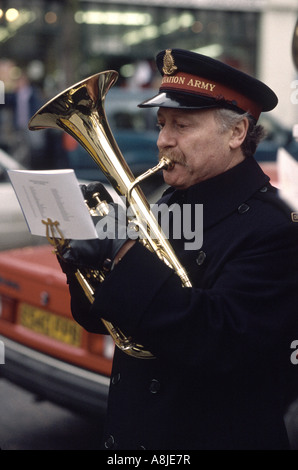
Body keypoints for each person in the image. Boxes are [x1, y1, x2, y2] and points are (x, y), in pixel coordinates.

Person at [58, 49, 298, 450]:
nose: (163, 140)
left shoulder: (276, 228)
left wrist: (121, 255)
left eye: (182, 125)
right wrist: (80, 258)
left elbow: (219, 340)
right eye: (161, 124)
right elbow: (106, 322)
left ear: (237, 133)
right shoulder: (170, 203)